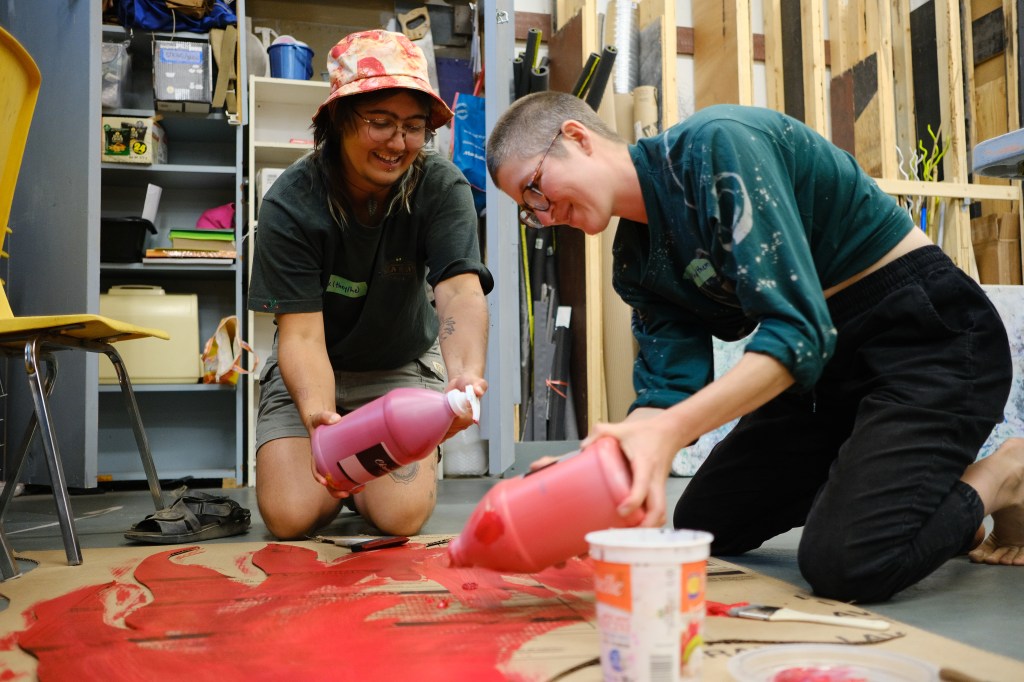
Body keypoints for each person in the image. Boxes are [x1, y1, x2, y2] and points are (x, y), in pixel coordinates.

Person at [487, 91, 1024, 603]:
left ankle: (1005, 475)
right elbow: (668, 391)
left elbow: (798, 333)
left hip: (924, 337)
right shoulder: (635, 262)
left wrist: (666, 434)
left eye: (535, 188)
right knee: (705, 523)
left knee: (847, 564)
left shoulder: (716, 145)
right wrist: (603, 464)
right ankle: (914, 498)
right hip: (824, 372)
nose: (544, 214)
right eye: (528, 209)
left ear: (577, 137)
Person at [249, 30, 492, 540]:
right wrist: (320, 420)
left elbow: (459, 290)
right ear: (339, 119)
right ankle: (347, 479)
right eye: (380, 122)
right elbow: (301, 336)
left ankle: (366, 485)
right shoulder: (291, 203)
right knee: (291, 515)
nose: (397, 144)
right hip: (317, 366)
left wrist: (464, 378)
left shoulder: (441, 186)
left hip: (400, 367)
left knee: (399, 516)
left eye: (413, 127)